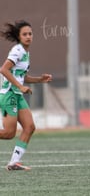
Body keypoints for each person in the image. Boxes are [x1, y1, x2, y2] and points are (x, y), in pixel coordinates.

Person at [0, 20, 52, 171]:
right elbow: (3, 70)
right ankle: (13, 163)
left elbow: (22, 77)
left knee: (29, 127)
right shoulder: (17, 51)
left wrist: (39, 80)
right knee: (9, 134)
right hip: (9, 94)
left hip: (16, 94)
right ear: (19, 36)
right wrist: (20, 86)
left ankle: (14, 163)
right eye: (25, 34)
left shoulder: (25, 52)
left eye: (30, 34)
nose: (28, 36)